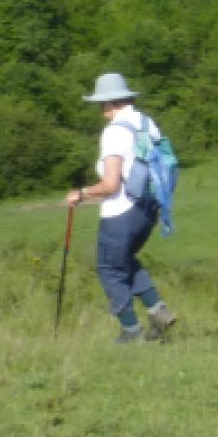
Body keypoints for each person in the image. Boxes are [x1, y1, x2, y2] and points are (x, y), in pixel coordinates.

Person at [67, 73, 178, 344]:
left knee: (108, 267)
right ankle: (158, 311)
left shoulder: (115, 132)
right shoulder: (145, 122)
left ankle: (130, 330)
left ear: (108, 103)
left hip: (121, 212)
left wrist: (81, 194)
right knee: (125, 260)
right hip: (149, 208)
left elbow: (110, 184)